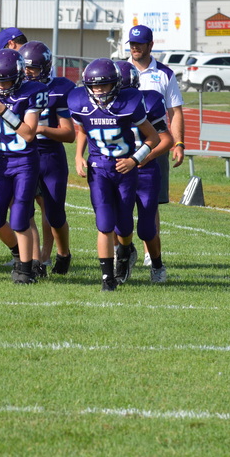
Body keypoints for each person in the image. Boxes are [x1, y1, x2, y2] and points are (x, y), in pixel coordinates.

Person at [70, 59, 160, 291]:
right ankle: (107, 278)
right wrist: (79, 156)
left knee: (124, 225)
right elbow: (82, 127)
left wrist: (134, 160)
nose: (99, 91)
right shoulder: (79, 101)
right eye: (95, 86)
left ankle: (125, 250)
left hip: (124, 169)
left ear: (117, 85)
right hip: (99, 167)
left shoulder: (129, 103)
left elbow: (154, 138)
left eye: (105, 86)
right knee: (104, 223)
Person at [0, 49, 47, 284]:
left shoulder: (33, 92)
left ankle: (26, 270)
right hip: (1, 160)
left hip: (25, 162)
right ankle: (19, 253)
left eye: (5, 79)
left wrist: (6, 111)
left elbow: (29, 134)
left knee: (19, 218)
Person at [127, 25, 185, 270]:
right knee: (122, 201)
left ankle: (151, 252)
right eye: (132, 43)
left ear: (151, 45)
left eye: (140, 44)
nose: (135, 47)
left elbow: (175, 111)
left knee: (151, 202)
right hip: (124, 144)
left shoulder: (164, 73)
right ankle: (126, 249)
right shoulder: (120, 70)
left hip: (156, 144)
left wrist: (179, 142)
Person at [18, 41, 76, 276]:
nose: (27, 72)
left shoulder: (60, 88)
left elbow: (69, 134)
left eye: (32, 68)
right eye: (25, 67)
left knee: (53, 213)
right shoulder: (16, 87)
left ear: (46, 67)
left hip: (50, 155)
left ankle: (61, 253)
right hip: (22, 154)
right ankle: (36, 262)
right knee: (25, 210)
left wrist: (40, 130)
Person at [115, 60, 175, 282]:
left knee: (147, 226)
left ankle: (157, 264)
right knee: (116, 219)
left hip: (144, 169)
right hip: (118, 169)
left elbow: (166, 138)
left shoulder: (149, 100)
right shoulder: (103, 103)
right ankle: (123, 256)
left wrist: (141, 158)